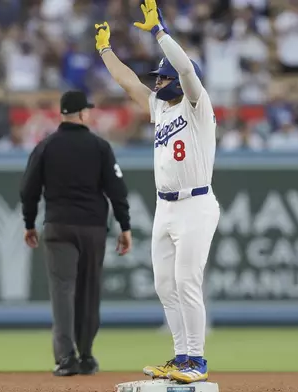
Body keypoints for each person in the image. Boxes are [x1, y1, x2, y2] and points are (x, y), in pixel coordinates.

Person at [95, 0, 220, 383]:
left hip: (196, 202)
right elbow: (127, 81)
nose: (159, 82)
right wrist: (105, 51)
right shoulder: (160, 108)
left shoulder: (198, 105)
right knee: (164, 284)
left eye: (163, 79)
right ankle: (180, 356)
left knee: (186, 281)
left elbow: (184, 67)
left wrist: (159, 33)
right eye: (159, 79)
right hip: (165, 207)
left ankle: (196, 360)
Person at [19, 90, 133, 377]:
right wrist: (125, 225)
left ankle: (66, 358)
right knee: (89, 292)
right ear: (82, 114)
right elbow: (117, 190)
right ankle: (86, 356)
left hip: (58, 226)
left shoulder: (46, 146)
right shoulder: (100, 147)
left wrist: (29, 222)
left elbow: (28, 189)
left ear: (63, 115)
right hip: (93, 227)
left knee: (62, 292)